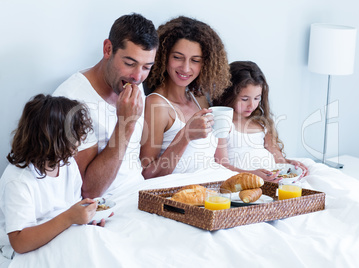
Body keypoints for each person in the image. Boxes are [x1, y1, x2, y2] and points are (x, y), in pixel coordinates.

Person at [53, 13, 158, 198]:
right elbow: (90, 190)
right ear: (108, 49)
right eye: (129, 63)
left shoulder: (133, 83)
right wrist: (126, 124)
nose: (137, 76)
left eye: (146, 67)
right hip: (104, 206)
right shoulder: (71, 101)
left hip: (139, 195)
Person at [0, 94, 99, 259]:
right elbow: (19, 243)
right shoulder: (18, 181)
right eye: (75, 135)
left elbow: (72, 209)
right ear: (53, 139)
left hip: (62, 237)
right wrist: (69, 218)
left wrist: (86, 219)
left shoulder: (67, 165)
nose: (80, 141)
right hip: (26, 252)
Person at [140, 16, 231, 179]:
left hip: (212, 191)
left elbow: (219, 162)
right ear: (164, 56)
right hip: (178, 197)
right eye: (177, 57)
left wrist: (254, 175)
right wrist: (186, 135)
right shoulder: (157, 105)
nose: (186, 68)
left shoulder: (200, 99)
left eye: (195, 60)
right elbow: (146, 174)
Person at [214, 61, 308, 181]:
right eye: (244, 99)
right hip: (245, 179)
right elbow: (222, 165)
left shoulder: (261, 124)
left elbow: (278, 157)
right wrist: (253, 175)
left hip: (273, 176)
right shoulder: (223, 124)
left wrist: (289, 163)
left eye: (257, 98)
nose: (251, 105)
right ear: (228, 95)